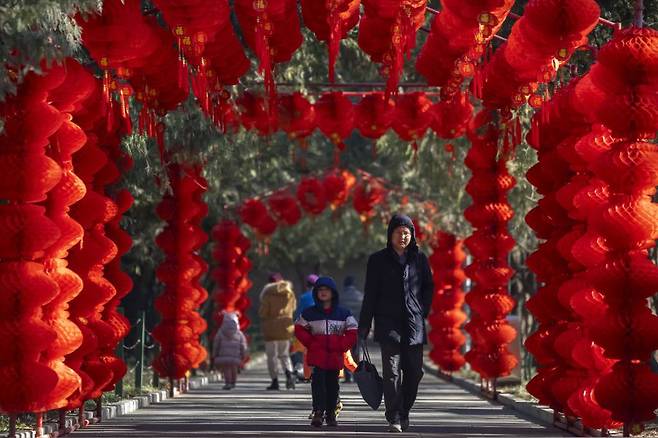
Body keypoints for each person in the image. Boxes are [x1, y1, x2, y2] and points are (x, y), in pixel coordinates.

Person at [358, 214, 434, 433]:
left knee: (415, 372)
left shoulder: (420, 259)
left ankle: (404, 410)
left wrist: (423, 311)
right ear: (390, 234)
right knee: (391, 373)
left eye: (407, 232)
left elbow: (428, 287)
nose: (403, 236)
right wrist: (364, 325)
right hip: (387, 324)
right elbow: (370, 294)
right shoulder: (377, 260)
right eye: (399, 232)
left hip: (413, 324)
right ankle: (394, 417)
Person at [295, 276, 357, 428]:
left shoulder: (343, 313)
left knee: (332, 386)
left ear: (333, 293)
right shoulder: (309, 313)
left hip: (335, 357)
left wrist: (342, 345)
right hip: (317, 356)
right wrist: (311, 342)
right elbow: (299, 328)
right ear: (316, 292)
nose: (323, 293)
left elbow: (352, 330)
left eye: (326, 290)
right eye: (320, 290)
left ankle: (330, 414)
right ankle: (317, 412)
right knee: (317, 384)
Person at [259, 272, 296, 390]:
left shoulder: (267, 294)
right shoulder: (289, 293)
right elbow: (293, 308)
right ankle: (289, 375)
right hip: (286, 327)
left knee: (272, 356)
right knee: (284, 355)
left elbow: (263, 312)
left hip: (271, 328)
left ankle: (275, 381)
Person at [292, 274, 319, 381]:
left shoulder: (303, 297)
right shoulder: (321, 296)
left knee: (305, 352)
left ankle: (307, 374)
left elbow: (299, 314)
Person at [212, 311, 247, 390]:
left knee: (226, 369)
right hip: (235, 356)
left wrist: (215, 354)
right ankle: (233, 382)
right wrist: (243, 355)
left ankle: (228, 383)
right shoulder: (239, 333)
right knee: (234, 369)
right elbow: (243, 345)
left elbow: (216, 344)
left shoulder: (220, 332)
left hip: (223, 355)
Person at [340, 275, 364, 383]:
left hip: (344, 328)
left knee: (345, 352)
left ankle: (348, 375)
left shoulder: (341, 297)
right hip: (358, 327)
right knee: (357, 351)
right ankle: (357, 374)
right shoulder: (360, 297)